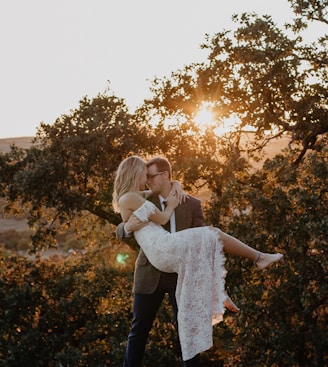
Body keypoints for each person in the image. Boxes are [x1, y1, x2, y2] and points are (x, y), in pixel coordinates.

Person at [113, 156, 283, 364]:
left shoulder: (191, 203)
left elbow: (203, 247)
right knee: (139, 330)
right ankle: (255, 260)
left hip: (182, 268)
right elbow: (121, 228)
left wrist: (175, 187)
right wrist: (128, 227)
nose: (147, 180)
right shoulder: (144, 198)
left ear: (164, 175)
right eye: (145, 176)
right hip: (152, 271)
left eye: (151, 176)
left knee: (188, 326)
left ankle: (223, 290)